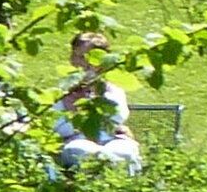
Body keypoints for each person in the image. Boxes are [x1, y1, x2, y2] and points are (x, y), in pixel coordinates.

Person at [54, 31, 143, 174]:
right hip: (78, 140)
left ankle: (118, 185)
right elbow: (59, 126)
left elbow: (117, 116)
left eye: (85, 57)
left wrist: (82, 108)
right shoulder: (64, 91)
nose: (79, 62)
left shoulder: (111, 88)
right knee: (79, 150)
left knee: (124, 152)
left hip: (113, 139)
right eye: (76, 56)